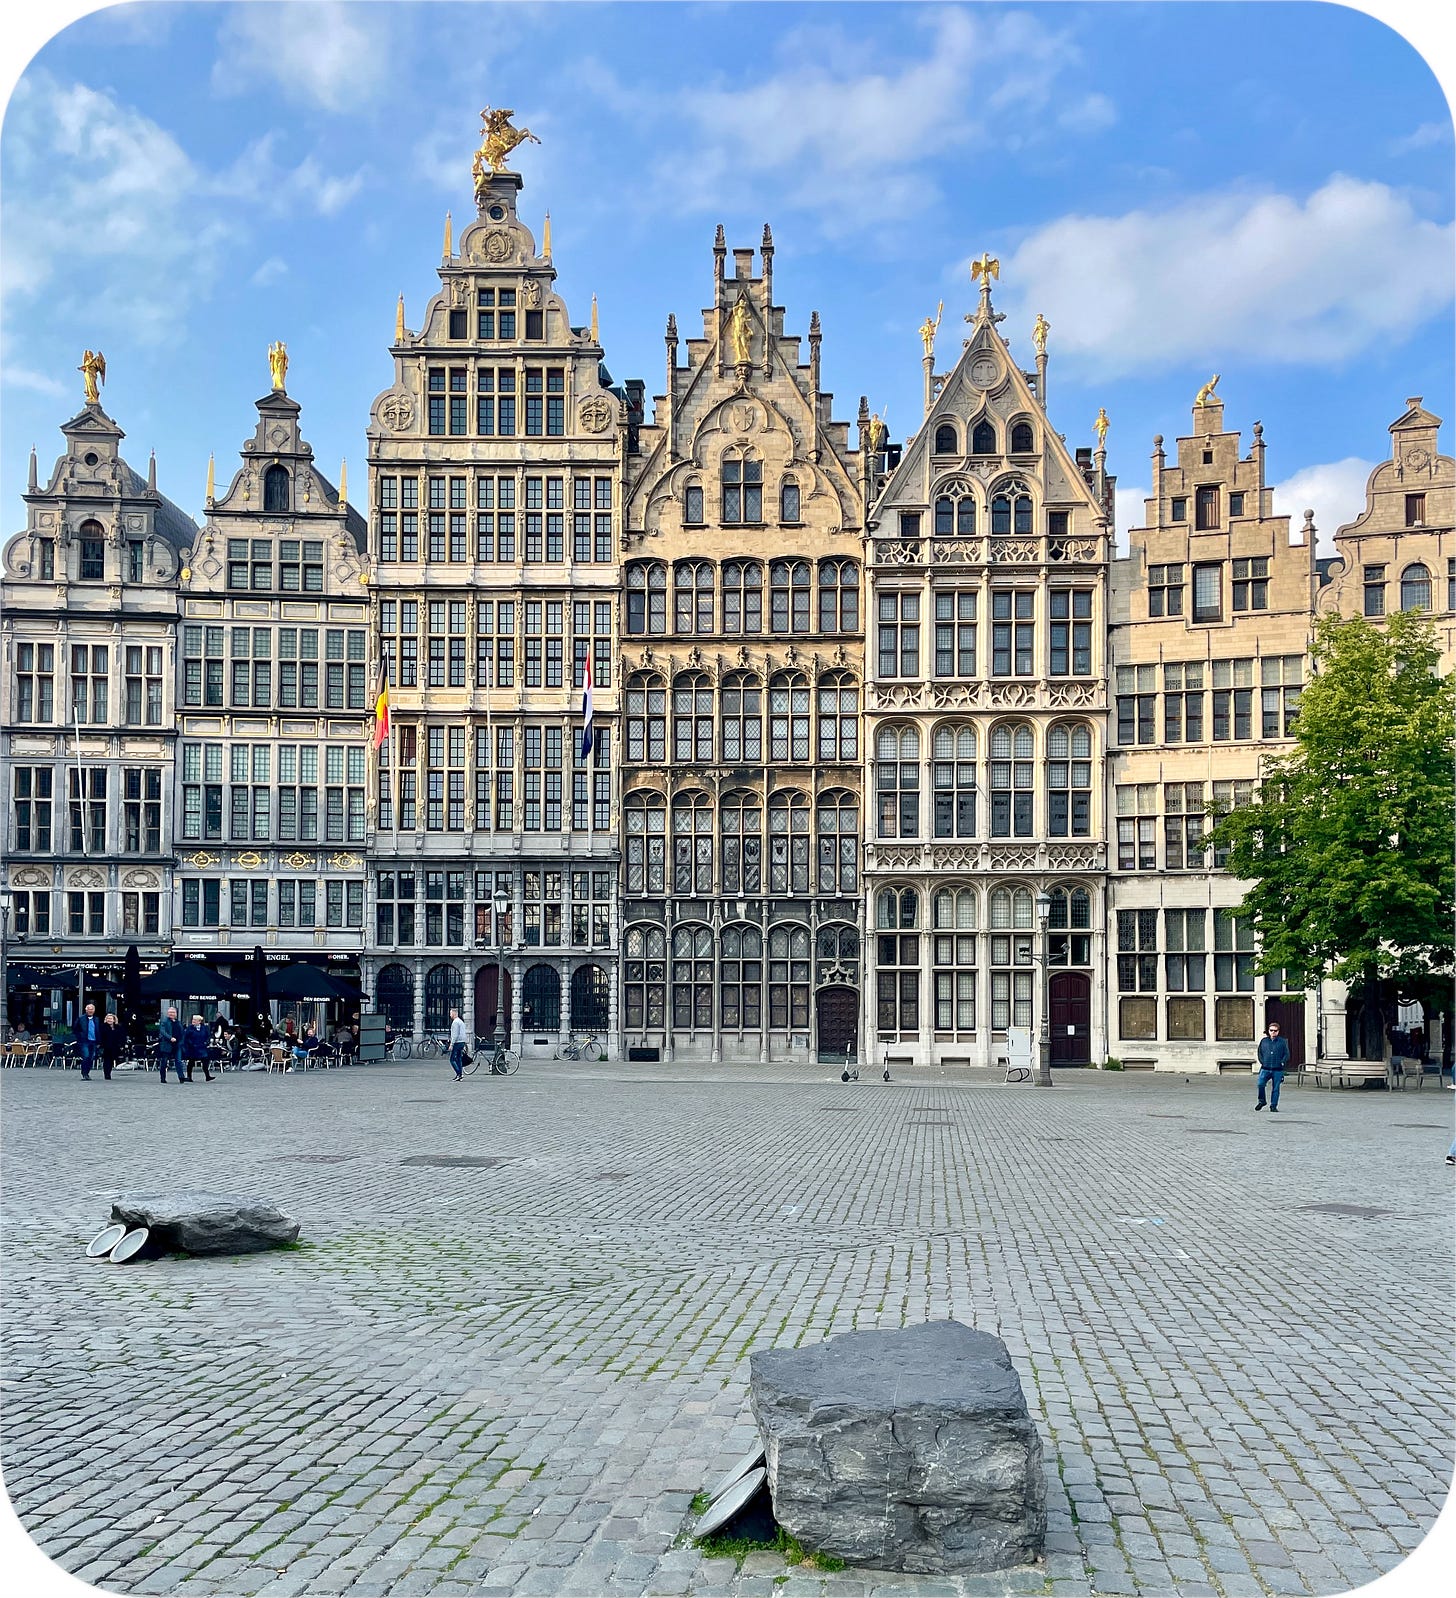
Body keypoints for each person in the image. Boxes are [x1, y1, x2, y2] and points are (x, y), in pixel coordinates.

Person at [1255, 1019, 1290, 1112]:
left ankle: (1273, 1106)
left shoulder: (1282, 1042)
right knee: (1260, 1084)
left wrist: (1282, 1062)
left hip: (1277, 1069)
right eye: (1271, 1030)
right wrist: (1262, 1061)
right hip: (1265, 1068)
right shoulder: (1264, 1041)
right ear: (1268, 1031)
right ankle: (1262, 1101)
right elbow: (1260, 1052)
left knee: (1276, 1088)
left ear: (1278, 1031)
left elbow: (1286, 1054)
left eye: (1275, 1030)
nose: (1273, 1032)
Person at [181, 1013, 213, 1082]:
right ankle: (189, 1077)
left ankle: (207, 1076)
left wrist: (206, 1042)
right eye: (193, 1020)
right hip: (193, 1048)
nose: (193, 1021)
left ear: (199, 1021)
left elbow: (208, 1036)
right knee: (191, 1063)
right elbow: (186, 1037)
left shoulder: (204, 1028)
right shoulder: (190, 1028)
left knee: (205, 1062)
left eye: (195, 1020)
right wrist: (191, 1044)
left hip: (202, 1047)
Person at [157, 1005, 185, 1083]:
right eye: (169, 1012)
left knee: (179, 1061)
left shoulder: (178, 1022)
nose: (171, 1014)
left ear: (176, 1013)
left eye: (173, 1012)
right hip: (167, 1045)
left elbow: (182, 1033)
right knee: (164, 1062)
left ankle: (181, 1077)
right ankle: (163, 1078)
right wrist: (170, 1038)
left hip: (177, 1045)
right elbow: (163, 1031)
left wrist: (181, 1041)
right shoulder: (164, 1021)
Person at [74, 1002, 100, 1080]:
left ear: (94, 1010)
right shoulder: (81, 1019)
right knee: (86, 1056)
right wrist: (79, 1037)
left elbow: (98, 1030)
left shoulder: (97, 1019)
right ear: (86, 1010)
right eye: (89, 1009)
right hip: (84, 1041)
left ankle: (87, 1072)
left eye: (92, 1009)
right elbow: (75, 1029)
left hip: (94, 1041)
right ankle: (84, 1073)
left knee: (91, 1058)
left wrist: (99, 1041)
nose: (90, 1010)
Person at [98, 1012, 125, 1080]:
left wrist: (121, 1044)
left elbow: (121, 1036)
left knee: (111, 1060)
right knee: (107, 1060)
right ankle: (107, 1074)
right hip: (106, 1047)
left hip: (115, 1047)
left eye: (110, 1018)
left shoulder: (118, 1027)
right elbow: (100, 1036)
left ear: (114, 1020)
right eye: (108, 1018)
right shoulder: (102, 1027)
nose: (109, 1020)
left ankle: (109, 1071)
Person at [448, 1005, 469, 1082]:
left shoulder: (455, 1022)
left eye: (450, 1013)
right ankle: (460, 1074)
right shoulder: (461, 1021)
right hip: (462, 1042)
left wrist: (451, 1044)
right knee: (459, 1059)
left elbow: (455, 1034)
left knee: (452, 1059)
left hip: (457, 1042)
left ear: (454, 1013)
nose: (450, 1015)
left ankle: (459, 1074)